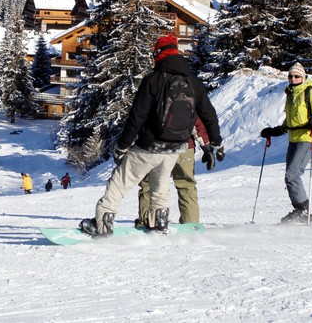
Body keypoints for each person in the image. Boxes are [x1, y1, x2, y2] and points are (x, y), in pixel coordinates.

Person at [80, 34, 223, 236]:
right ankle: (159, 224)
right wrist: (216, 141)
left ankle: (102, 225)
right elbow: (209, 114)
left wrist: (122, 145)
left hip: (149, 146)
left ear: (158, 54)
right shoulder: (193, 82)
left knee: (119, 183)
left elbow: (136, 117)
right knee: (160, 187)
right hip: (176, 147)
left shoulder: (153, 80)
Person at [260, 62, 312, 223]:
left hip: (308, 137)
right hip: (294, 138)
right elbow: (291, 121)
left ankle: (303, 211)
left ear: (303, 77)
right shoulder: (291, 94)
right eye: (290, 76)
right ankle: (302, 210)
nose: (293, 78)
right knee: (289, 176)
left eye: (297, 76)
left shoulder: (310, 93)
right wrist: (275, 131)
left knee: (292, 175)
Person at [135, 115, 220, 227]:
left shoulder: (151, 96)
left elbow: (138, 118)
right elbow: (196, 121)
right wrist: (206, 147)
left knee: (150, 184)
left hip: (156, 147)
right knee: (186, 185)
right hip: (184, 147)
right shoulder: (189, 97)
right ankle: (190, 223)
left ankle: (147, 220)